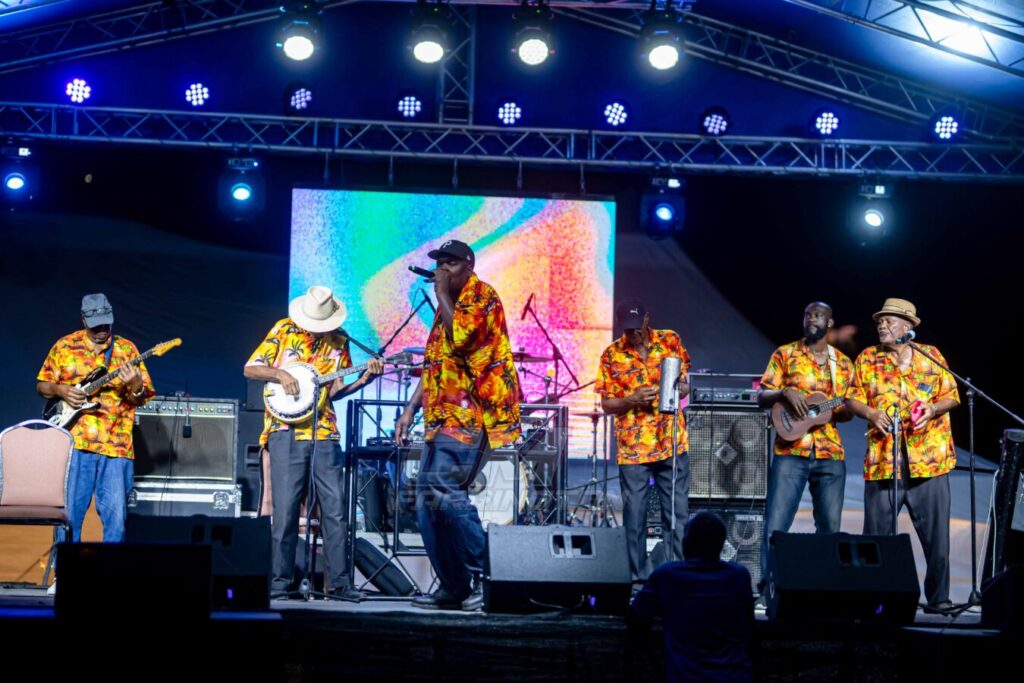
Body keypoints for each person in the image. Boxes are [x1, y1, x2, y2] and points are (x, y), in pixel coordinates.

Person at [395, 239, 521, 611]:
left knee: (443, 487)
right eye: (440, 264)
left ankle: (489, 576)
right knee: (426, 501)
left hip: (472, 415)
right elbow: (436, 366)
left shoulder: (482, 297)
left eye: (450, 263)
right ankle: (454, 586)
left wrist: (440, 293)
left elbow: (463, 339)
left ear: (468, 266)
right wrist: (409, 411)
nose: (442, 269)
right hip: (440, 419)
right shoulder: (447, 307)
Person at [244, 285, 383, 601]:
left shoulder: (340, 340)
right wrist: (280, 375)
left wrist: (365, 379)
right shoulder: (284, 329)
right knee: (286, 510)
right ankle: (280, 583)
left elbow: (335, 391)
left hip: (325, 432)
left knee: (335, 510)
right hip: (286, 431)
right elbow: (250, 367)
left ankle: (340, 584)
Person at [845, 298, 960, 615]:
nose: (881, 325)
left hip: (930, 462)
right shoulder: (868, 358)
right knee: (875, 540)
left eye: (889, 321)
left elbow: (952, 395)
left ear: (907, 327)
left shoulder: (931, 355)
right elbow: (851, 398)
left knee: (937, 541)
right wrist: (871, 413)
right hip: (884, 462)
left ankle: (938, 599)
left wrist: (932, 409)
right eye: (880, 321)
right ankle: (872, 601)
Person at [36, 293, 155, 546]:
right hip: (75, 444)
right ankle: (64, 568)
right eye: (96, 326)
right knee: (69, 519)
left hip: (116, 446)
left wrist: (135, 385)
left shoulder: (127, 350)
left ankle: (110, 569)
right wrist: (60, 390)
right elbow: (42, 386)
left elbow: (141, 399)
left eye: (106, 325)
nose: (102, 331)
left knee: (116, 520)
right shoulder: (65, 346)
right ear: (83, 320)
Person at [757, 302, 854, 590]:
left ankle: (823, 589)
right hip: (790, 451)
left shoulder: (843, 364)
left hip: (829, 453)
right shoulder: (785, 354)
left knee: (829, 529)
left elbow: (847, 410)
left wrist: (841, 408)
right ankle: (767, 589)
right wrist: (784, 392)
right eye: (808, 314)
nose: (812, 318)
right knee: (775, 525)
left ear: (830, 322)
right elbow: (762, 396)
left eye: (818, 315)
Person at [596, 299, 690, 587]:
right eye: (628, 329)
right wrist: (632, 399)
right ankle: (637, 580)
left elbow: (686, 383)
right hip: (633, 448)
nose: (633, 334)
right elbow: (607, 404)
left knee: (676, 514)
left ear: (648, 319)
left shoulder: (670, 340)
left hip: (670, 441)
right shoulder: (612, 354)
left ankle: (675, 575)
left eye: (637, 327)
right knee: (635, 516)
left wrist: (679, 389)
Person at [631, 512, 754, 683]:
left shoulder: (667, 575)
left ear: (686, 543)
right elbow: (750, 628)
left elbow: (635, 615)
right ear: (720, 545)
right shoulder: (739, 575)